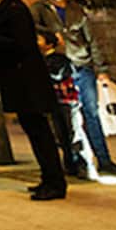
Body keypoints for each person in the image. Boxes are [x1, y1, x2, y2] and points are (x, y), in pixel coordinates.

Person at [0, 0, 67, 201]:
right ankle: (49, 178)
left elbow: (22, 43)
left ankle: (55, 182)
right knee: (34, 130)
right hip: (19, 78)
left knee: (40, 132)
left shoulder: (15, 9)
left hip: (27, 78)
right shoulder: (7, 7)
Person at [32, 0, 116, 176]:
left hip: (81, 64)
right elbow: (31, 27)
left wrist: (101, 69)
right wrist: (51, 36)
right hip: (58, 68)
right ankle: (74, 161)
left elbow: (91, 39)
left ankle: (103, 159)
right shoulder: (40, 9)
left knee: (91, 114)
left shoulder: (77, 10)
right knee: (66, 117)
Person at [38, 33, 100, 181]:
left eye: (39, 39)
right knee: (61, 134)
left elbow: (60, 75)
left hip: (67, 101)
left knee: (74, 133)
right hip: (54, 102)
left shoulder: (60, 59)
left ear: (49, 44)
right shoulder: (41, 60)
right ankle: (69, 164)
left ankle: (81, 164)